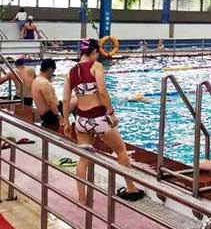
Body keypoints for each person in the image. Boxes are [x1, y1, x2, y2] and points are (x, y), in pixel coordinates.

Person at [62, 39, 144, 203]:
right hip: (99, 118)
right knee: (121, 150)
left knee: (84, 158)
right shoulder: (96, 66)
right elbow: (103, 92)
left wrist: (66, 122)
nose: (98, 56)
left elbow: (65, 100)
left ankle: (82, 198)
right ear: (93, 52)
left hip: (81, 120)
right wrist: (111, 113)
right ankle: (131, 188)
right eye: (97, 53)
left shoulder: (70, 72)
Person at [32, 59, 67, 131]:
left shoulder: (36, 80)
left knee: (72, 98)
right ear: (50, 69)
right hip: (52, 115)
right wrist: (59, 117)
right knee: (75, 101)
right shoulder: (45, 83)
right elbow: (50, 103)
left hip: (44, 114)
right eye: (53, 70)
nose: (53, 73)